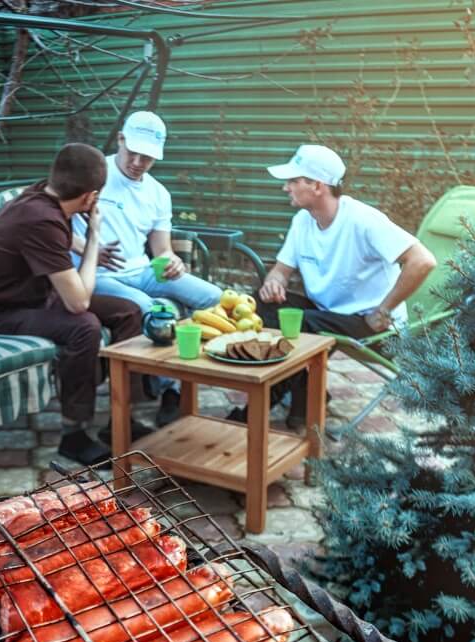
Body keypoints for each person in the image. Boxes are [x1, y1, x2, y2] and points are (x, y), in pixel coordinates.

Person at [0, 143, 148, 467]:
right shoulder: (41, 219)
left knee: (128, 311)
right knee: (84, 327)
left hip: (38, 299)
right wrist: (93, 238)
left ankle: (122, 417)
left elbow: (55, 245)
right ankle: (74, 435)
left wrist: (83, 244)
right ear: (89, 197)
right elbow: (78, 302)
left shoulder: (43, 194)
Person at [242, 144, 437, 427]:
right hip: (327, 314)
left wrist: (384, 310)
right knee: (260, 305)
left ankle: (253, 415)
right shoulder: (302, 221)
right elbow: (281, 270)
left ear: (317, 186)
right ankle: (307, 399)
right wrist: (274, 282)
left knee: (301, 325)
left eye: (293, 181)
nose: (286, 188)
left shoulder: (363, 220)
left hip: (374, 326)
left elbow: (422, 260)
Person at [71, 112, 222, 427]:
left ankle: (176, 384)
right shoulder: (93, 174)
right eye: (133, 152)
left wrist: (172, 261)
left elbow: (161, 249)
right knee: (146, 308)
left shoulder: (158, 193)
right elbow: (52, 219)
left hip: (142, 271)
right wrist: (87, 248)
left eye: (148, 157)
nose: (138, 162)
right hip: (99, 276)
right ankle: (168, 386)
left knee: (213, 297)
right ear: (120, 140)